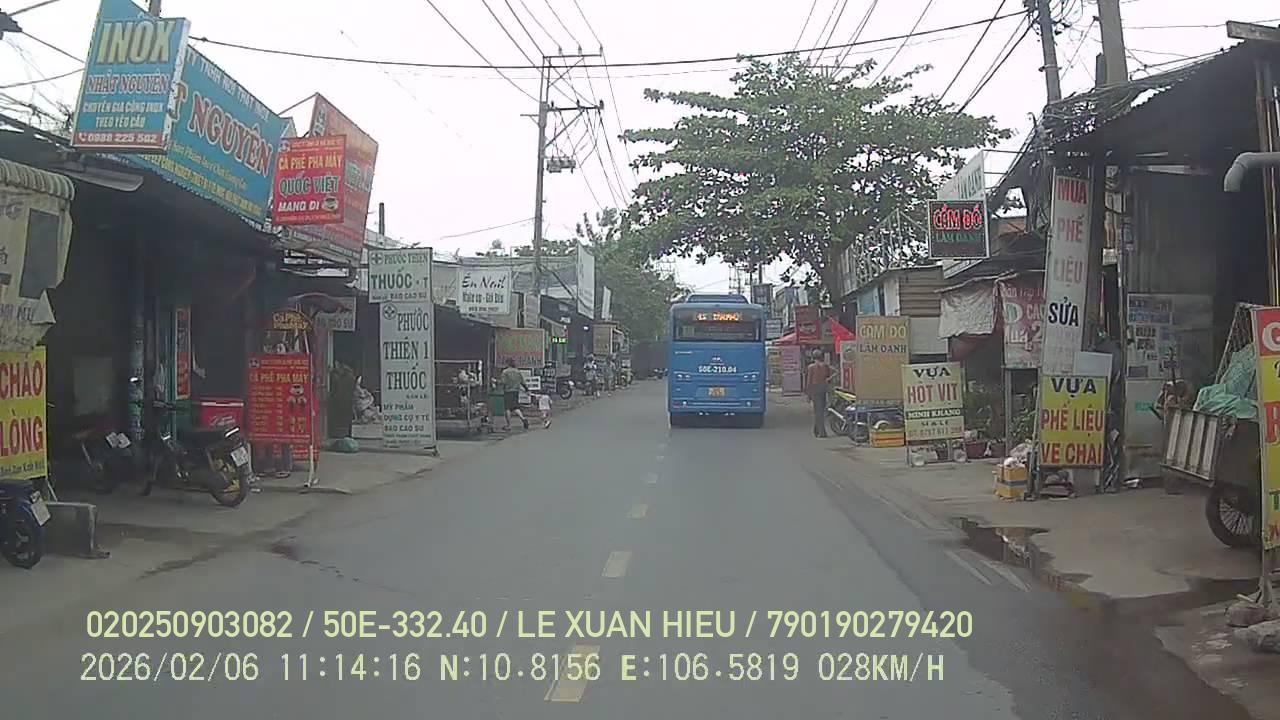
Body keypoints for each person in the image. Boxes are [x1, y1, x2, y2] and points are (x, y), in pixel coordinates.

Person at [806, 350, 834, 438]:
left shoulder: (811, 367)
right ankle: (816, 430)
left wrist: (808, 394)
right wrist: (828, 380)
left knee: (818, 411)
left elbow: (809, 381)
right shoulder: (825, 366)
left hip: (815, 389)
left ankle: (822, 432)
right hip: (823, 388)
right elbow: (835, 372)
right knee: (821, 410)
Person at [499, 358, 530, 431]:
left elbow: (503, 382)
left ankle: (508, 425)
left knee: (507, 409)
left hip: (508, 391)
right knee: (515, 407)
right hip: (515, 391)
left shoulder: (505, 372)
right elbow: (523, 382)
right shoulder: (517, 371)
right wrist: (527, 389)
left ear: (507, 364)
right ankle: (523, 418)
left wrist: (496, 382)